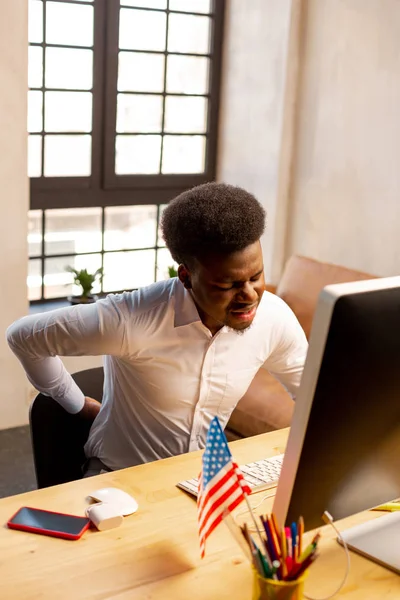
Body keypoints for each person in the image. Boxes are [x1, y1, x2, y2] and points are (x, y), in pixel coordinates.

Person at [7, 183, 308, 477]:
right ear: (187, 277)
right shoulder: (130, 318)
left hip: (202, 481)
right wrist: (76, 403)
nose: (250, 295)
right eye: (227, 285)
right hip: (119, 479)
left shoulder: (273, 316)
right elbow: (23, 336)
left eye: (256, 276)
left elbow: (313, 392)